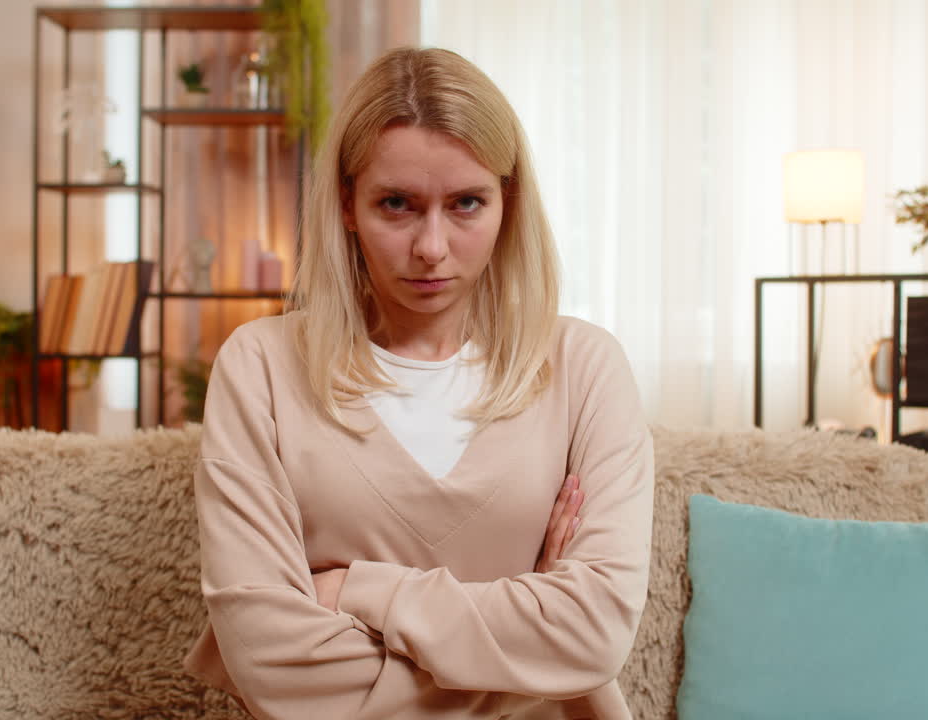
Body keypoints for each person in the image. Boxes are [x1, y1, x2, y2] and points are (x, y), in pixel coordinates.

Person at [183, 46, 654, 720]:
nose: (432, 247)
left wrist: (354, 590)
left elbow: (593, 633)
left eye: (466, 203)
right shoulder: (259, 366)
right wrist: (525, 640)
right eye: (397, 204)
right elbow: (271, 666)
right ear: (346, 204)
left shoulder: (585, 366)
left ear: (507, 201)